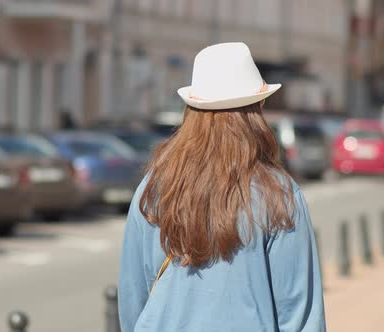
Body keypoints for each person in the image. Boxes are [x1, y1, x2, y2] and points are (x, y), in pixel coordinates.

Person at [119, 42, 326, 331]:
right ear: (255, 111)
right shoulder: (278, 193)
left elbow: (132, 300)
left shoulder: (154, 188)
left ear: (192, 109)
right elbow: (299, 313)